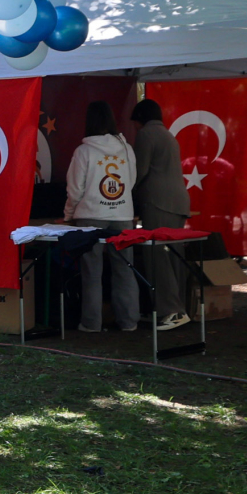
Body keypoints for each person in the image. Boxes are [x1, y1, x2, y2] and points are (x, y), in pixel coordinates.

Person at [63, 100, 140, 332]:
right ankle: (129, 321)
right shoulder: (126, 149)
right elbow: (131, 181)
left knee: (91, 272)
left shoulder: (83, 151)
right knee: (125, 268)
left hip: (91, 215)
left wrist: (68, 215)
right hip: (123, 215)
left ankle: (91, 323)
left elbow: (75, 189)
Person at [127, 99, 192, 329]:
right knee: (173, 257)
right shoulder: (167, 135)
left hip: (158, 202)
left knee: (158, 259)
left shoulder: (146, 135)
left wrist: (124, 193)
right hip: (178, 201)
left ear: (140, 119)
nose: (134, 128)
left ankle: (170, 311)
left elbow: (139, 171)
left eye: (135, 123)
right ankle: (179, 309)